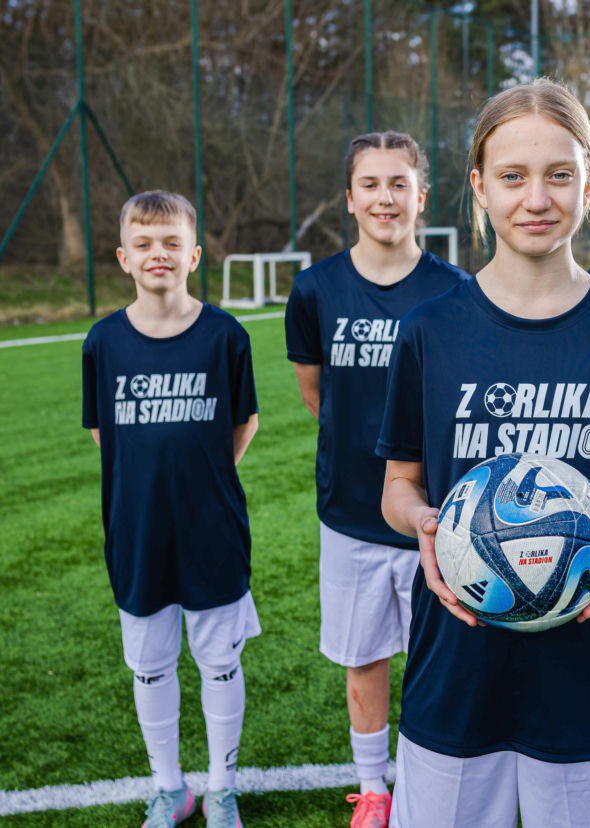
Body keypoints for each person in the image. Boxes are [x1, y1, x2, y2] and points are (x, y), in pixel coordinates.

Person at [376, 78, 590, 828]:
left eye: (559, 174)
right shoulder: (430, 330)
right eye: (512, 176)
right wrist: (425, 523)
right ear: (478, 186)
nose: (535, 198)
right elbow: (398, 486)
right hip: (457, 664)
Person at [284, 132, 466, 828]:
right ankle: (373, 788)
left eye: (399, 184)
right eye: (370, 184)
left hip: (435, 513)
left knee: (437, 659)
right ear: (350, 199)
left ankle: (423, 779)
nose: (385, 197)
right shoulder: (316, 288)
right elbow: (316, 394)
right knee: (364, 659)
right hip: (352, 512)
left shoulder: (455, 290)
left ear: (422, 197)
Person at [81, 190, 260, 828]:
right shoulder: (102, 343)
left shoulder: (225, 336)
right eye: (146, 243)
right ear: (124, 257)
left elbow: (244, 424)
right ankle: (169, 788)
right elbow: (106, 436)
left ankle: (220, 788)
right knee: (151, 664)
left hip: (212, 527)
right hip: (136, 529)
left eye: (172, 243)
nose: (159, 254)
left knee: (219, 660)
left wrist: (199, 478)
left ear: (194, 256)